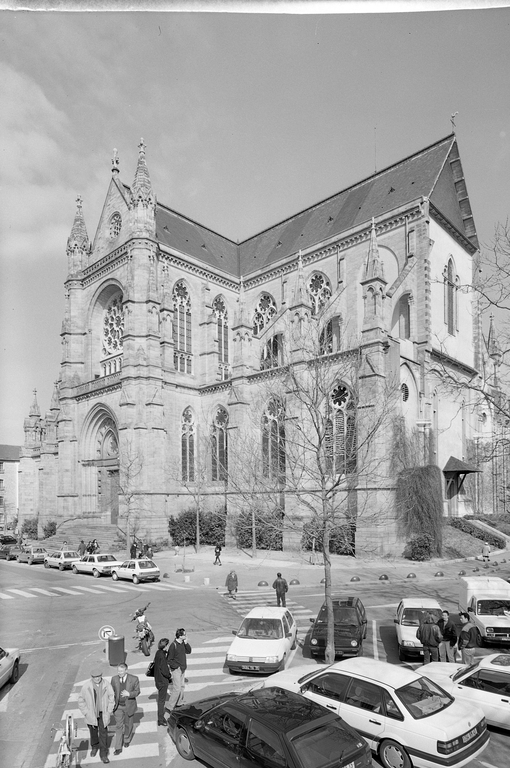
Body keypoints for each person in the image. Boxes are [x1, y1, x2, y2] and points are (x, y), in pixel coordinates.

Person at [78, 664, 115, 764]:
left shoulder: (106, 685)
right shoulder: (86, 686)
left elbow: (112, 697)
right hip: (91, 715)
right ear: (92, 677)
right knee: (93, 733)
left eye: (98, 676)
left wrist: (109, 710)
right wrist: (86, 712)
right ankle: (94, 746)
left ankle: (103, 754)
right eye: (95, 677)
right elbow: (81, 700)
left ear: (101, 676)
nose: (97, 679)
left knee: (103, 734)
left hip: (103, 714)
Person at [111, 663, 140, 755]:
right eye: (118, 671)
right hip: (118, 706)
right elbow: (112, 691)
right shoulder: (114, 679)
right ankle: (118, 747)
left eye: (121, 671)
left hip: (129, 706)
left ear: (126, 671)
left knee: (128, 725)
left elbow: (137, 691)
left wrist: (129, 694)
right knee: (119, 726)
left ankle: (127, 739)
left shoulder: (134, 679)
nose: (120, 673)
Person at [167, 628, 192, 711]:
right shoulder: (173, 645)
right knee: (177, 689)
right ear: (180, 636)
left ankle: (179, 703)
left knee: (182, 687)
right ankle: (170, 706)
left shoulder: (183, 643)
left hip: (183, 668)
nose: (186, 635)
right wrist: (176, 667)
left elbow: (189, 651)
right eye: (184, 634)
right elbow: (169, 660)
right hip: (177, 669)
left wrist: (186, 643)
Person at [154, 637, 171, 726]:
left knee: (161, 700)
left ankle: (160, 718)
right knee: (161, 701)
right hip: (162, 681)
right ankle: (160, 719)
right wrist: (169, 676)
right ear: (165, 646)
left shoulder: (158, 653)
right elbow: (164, 670)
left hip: (158, 680)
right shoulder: (162, 656)